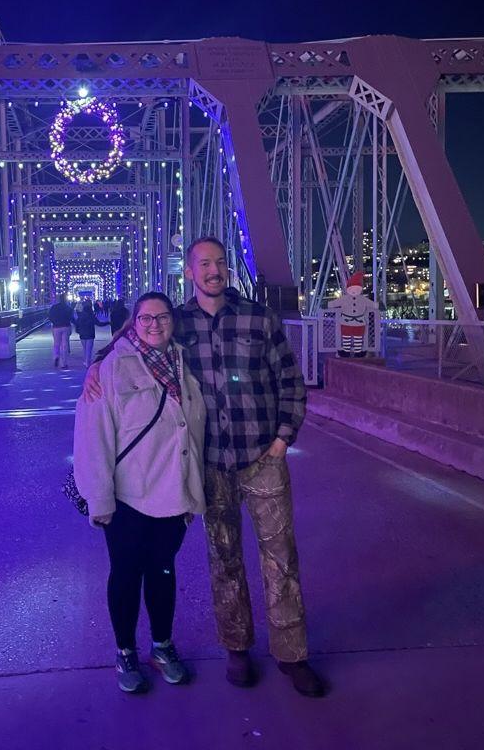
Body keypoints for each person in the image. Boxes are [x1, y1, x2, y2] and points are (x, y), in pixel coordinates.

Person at [84, 238, 325, 698]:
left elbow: (291, 379)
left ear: (227, 270)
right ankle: (237, 647)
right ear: (190, 273)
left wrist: (282, 438)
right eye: (204, 264)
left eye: (220, 263)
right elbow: (128, 340)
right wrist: (94, 365)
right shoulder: (177, 322)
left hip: (262, 458)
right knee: (224, 561)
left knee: (282, 559)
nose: (214, 270)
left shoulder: (259, 317)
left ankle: (292, 655)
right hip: (211, 463)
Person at [73, 291, 207, 694]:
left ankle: (162, 645)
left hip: (174, 491)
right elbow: (92, 436)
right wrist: (100, 499)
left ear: (173, 320)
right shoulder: (111, 368)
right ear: (133, 322)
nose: (154, 325)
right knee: (127, 575)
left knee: (163, 573)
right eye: (145, 318)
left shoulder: (187, 363)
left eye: (162, 317)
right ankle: (125, 651)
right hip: (128, 498)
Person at [48, 293, 74, 369]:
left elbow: (49, 316)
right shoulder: (68, 308)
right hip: (66, 326)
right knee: (64, 345)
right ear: (66, 299)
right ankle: (64, 363)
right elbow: (71, 318)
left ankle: (56, 356)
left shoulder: (54, 307)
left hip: (56, 327)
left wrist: (54, 322)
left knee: (56, 343)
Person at [74, 299, 101, 367]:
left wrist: (78, 331)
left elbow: (77, 323)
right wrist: (108, 323)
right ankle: (87, 362)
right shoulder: (92, 316)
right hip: (90, 334)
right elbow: (99, 323)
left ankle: (86, 361)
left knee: (85, 349)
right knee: (89, 349)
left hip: (82, 334)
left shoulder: (80, 316)